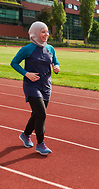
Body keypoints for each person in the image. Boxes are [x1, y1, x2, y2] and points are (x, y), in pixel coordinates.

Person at [10, 21, 60, 155]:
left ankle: (26, 134)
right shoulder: (27, 49)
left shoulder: (50, 48)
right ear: (35, 33)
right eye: (43, 32)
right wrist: (26, 73)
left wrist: (56, 68)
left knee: (37, 114)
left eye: (47, 31)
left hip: (46, 87)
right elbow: (14, 63)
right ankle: (40, 143)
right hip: (31, 86)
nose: (46, 34)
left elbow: (55, 61)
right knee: (41, 114)